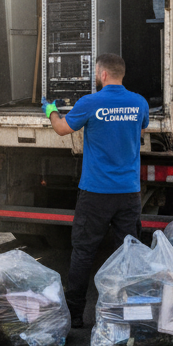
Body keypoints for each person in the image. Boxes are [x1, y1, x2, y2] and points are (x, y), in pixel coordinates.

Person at [44, 53, 149, 328]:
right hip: (128, 193)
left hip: (95, 192)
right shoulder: (139, 103)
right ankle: (124, 312)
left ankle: (75, 314)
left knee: (83, 251)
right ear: (121, 74)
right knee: (127, 252)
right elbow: (142, 128)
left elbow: (61, 129)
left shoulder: (90, 103)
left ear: (102, 75)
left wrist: (50, 110)